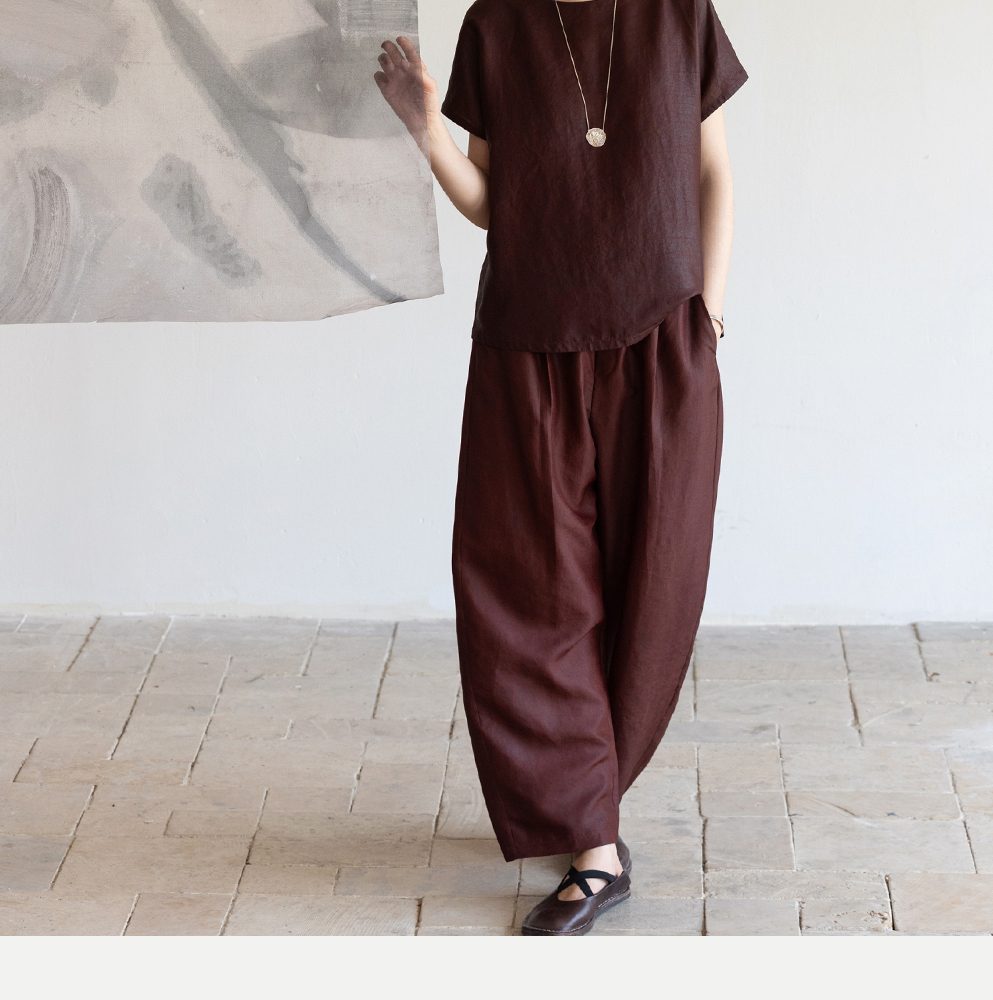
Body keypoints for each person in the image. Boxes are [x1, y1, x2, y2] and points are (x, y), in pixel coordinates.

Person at [375, 0, 746, 936]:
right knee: (530, 591)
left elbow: (712, 170)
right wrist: (425, 130)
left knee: (652, 587)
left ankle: (587, 799)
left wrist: (709, 317)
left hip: (661, 345)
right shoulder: (497, 25)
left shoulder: (679, 15)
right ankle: (594, 845)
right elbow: (493, 201)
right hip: (528, 348)